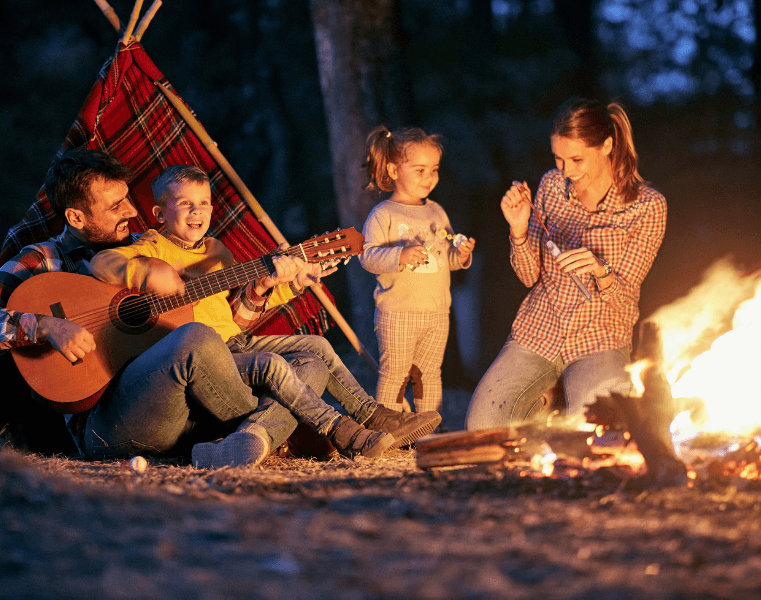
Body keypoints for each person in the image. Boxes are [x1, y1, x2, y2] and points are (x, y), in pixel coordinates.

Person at [0, 148, 353, 466]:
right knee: (194, 338)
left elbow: (225, 321)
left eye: (127, 200)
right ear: (76, 216)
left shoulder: (154, 246)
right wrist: (43, 326)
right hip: (111, 421)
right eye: (115, 207)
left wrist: (264, 286)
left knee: (309, 361)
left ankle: (255, 437)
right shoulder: (43, 260)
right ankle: (281, 426)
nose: (131, 211)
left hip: (190, 407)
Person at [88, 164, 442, 467]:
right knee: (275, 364)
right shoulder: (151, 246)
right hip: (202, 358)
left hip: (234, 342)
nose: (197, 212)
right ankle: (341, 431)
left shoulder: (217, 252)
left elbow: (236, 318)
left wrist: (281, 284)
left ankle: (370, 414)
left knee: (316, 348)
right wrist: (144, 273)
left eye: (204, 204)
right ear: (160, 214)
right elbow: (101, 262)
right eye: (185, 204)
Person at [465, 98, 667, 429]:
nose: (566, 171)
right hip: (540, 329)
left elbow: (624, 296)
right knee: (483, 426)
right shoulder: (551, 186)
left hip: (601, 335)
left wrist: (600, 270)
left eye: (576, 159)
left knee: (598, 430)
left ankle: (556, 407)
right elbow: (529, 275)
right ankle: (545, 404)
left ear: (607, 145)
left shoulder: (646, 207)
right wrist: (518, 229)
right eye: (558, 158)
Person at [358, 127, 475, 415]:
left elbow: (445, 258)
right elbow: (367, 257)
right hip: (397, 311)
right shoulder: (383, 214)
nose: (429, 177)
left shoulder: (436, 211)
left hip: (436, 312)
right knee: (395, 373)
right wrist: (399, 255)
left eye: (434, 170)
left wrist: (460, 256)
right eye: (420, 169)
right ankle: (388, 426)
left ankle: (428, 428)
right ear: (394, 170)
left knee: (430, 373)